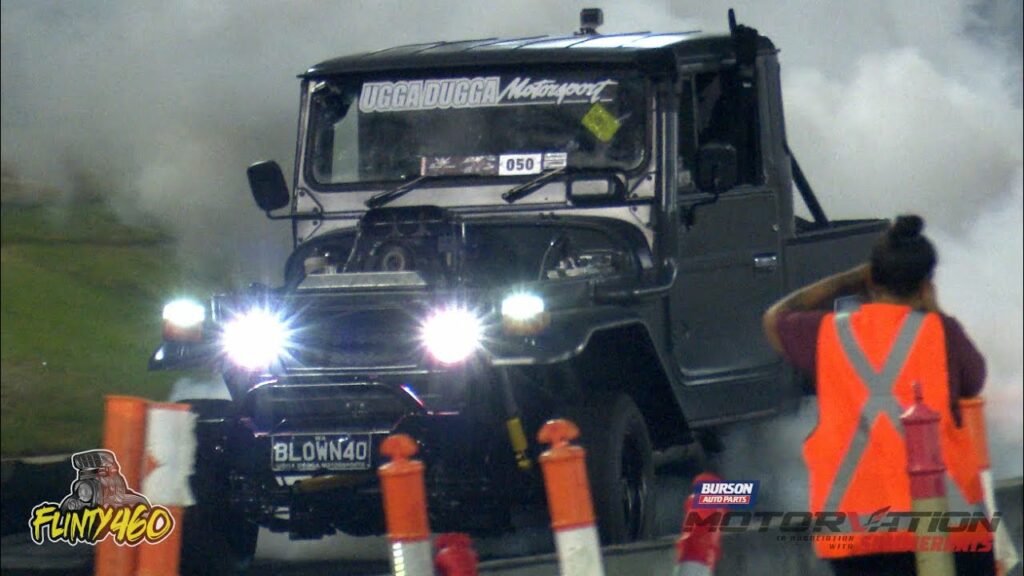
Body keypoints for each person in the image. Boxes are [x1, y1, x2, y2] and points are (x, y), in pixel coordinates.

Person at [762, 215, 994, 576]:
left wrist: (848, 279)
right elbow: (973, 381)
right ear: (926, 284)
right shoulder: (942, 333)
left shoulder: (829, 334)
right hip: (947, 527)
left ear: (872, 279)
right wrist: (933, 309)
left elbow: (775, 317)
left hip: (857, 538)